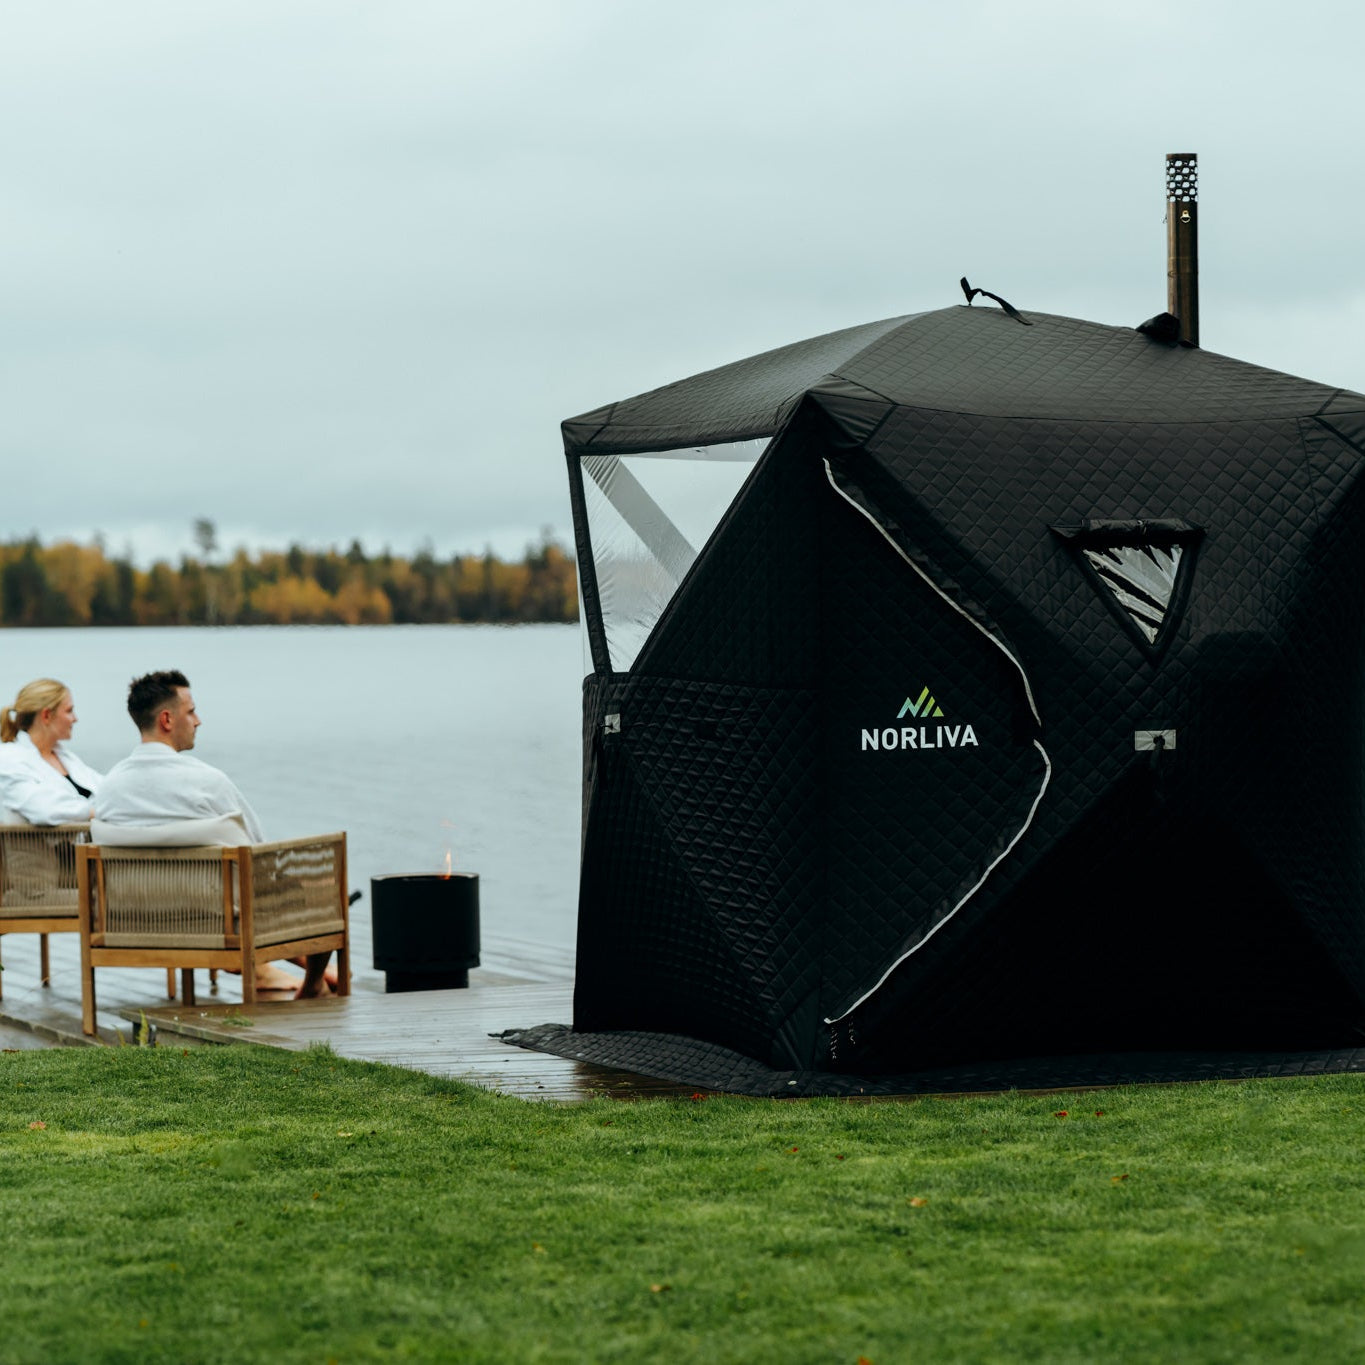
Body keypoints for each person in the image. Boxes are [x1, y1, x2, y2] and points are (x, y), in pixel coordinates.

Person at [94, 670, 332, 999]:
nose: (198, 720)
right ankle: (314, 984)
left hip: (130, 920)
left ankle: (305, 978)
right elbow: (258, 850)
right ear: (167, 719)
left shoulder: (109, 788)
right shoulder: (207, 782)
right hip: (217, 922)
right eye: (191, 711)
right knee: (317, 882)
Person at [0, 678, 103, 824]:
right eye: (69, 711)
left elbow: (107, 790)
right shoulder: (9, 758)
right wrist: (99, 811)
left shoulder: (64, 756)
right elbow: (44, 809)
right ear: (47, 715)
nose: (75, 719)